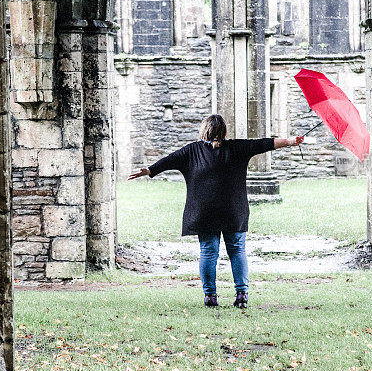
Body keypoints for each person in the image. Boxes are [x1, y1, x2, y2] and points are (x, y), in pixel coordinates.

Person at [128, 114, 304, 309]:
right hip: (233, 211)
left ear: (205, 130)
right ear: (224, 131)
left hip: (204, 212)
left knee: (208, 252)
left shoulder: (191, 151)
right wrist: (289, 141)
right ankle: (241, 295)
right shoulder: (238, 148)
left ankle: (210, 296)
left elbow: (168, 161)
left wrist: (150, 170)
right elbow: (264, 144)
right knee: (237, 250)